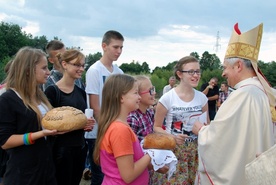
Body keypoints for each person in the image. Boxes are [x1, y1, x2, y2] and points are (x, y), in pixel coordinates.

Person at [192, 23, 275, 185]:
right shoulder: (261, 91)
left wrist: (202, 131)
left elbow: (221, 138)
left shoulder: (243, 94)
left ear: (238, 66)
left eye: (225, 67)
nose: (223, 73)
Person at [0, 47, 58, 185]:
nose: (48, 72)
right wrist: (38, 134)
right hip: (23, 174)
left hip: (46, 169)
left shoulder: (40, 96)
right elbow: (5, 141)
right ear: (28, 70)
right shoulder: (8, 98)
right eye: (44, 68)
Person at [153, 56, 209, 184]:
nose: (196, 75)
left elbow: (207, 125)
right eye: (191, 72)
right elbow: (156, 127)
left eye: (198, 71)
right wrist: (172, 137)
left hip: (195, 153)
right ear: (179, 74)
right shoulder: (167, 98)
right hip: (174, 152)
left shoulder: (202, 99)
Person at [44, 49, 94, 185]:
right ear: (64, 65)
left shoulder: (81, 92)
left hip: (80, 148)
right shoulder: (52, 92)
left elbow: (79, 120)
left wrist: (87, 124)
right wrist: (79, 124)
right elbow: (49, 126)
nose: (81, 69)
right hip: (60, 151)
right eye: (77, 65)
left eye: (83, 65)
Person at [93, 74, 153, 184]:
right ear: (121, 97)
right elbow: (128, 175)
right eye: (135, 93)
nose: (139, 97)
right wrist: (152, 154)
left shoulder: (119, 126)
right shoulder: (120, 130)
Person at [85, 30, 124, 185]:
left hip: (114, 129)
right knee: (99, 176)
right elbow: (95, 107)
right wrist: (109, 130)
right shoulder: (94, 71)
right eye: (115, 47)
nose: (119, 51)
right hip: (98, 133)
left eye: (121, 47)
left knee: (113, 174)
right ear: (104, 46)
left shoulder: (119, 72)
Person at [127, 75, 156, 142]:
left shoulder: (150, 113)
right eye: (150, 90)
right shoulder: (132, 119)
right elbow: (131, 146)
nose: (154, 93)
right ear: (138, 95)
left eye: (153, 89)